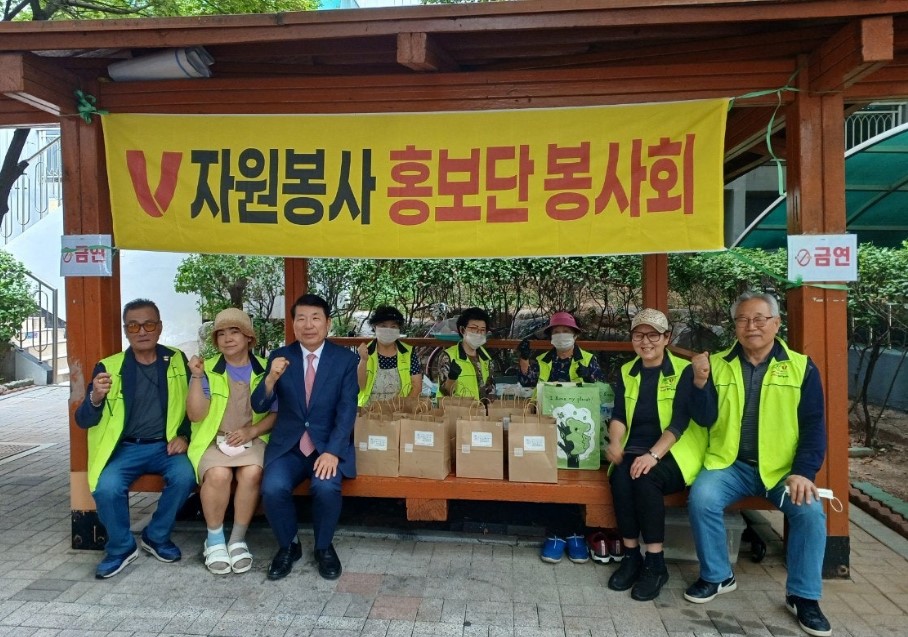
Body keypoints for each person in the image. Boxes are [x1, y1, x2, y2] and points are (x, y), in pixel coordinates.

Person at [684, 292, 831, 637]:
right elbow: (704, 419)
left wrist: (803, 472)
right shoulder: (717, 364)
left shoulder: (800, 366)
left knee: (810, 512)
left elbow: (814, 426)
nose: (752, 326)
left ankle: (803, 596)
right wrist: (701, 382)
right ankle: (718, 575)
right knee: (702, 498)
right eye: (743, 320)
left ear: (776, 323)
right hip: (730, 464)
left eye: (760, 319)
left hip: (781, 469)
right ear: (734, 326)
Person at [75, 298, 196, 579]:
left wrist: (185, 436)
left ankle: (156, 536)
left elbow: (194, 405)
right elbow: (84, 420)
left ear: (160, 327)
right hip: (126, 448)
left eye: (148, 324)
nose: (142, 331)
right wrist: (95, 396)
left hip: (166, 447)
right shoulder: (109, 366)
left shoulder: (177, 359)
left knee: (185, 476)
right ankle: (120, 548)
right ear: (126, 330)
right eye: (133, 325)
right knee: (107, 487)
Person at [251, 293, 359, 581]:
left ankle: (323, 547)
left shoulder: (344, 360)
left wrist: (334, 451)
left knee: (325, 488)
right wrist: (271, 378)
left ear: (328, 323)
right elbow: (259, 406)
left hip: (326, 445)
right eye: (301, 318)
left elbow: (348, 410)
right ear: (293, 324)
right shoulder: (279, 357)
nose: (308, 325)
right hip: (289, 446)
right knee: (272, 489)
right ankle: (289, 546)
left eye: (315, 318)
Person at [604, 308, 709, 601]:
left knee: (644, 479)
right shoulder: (628, 371)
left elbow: (679, 422)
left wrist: (653, 455)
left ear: (667, 337)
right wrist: (615, 442)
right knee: (620, 479)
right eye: (638, 335)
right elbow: (619, 415)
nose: (645, 342)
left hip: (674, 451)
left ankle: (655, 563)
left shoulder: (684, 370)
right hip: (635, 447)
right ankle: (630, 556)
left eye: (653, 335)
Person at [186, 308, 276, 575]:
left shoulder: (266, 368)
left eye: (234, 331)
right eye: (221, 334)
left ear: (249, 336)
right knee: (218, 475)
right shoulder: (207, 369)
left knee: (251, 473)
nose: (227, 339)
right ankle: (214, 539)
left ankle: (237, 539)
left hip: (255, 438)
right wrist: (197, 377)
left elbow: (276, 414)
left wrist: (252, 431)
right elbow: (195, 414)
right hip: (214, 440)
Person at [516, 311, 605, 389]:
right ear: (551, 337)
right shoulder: (541, 360)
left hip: (579, 407)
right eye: (556, 332)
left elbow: (602, 389)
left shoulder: (588, 360)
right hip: (547, 406)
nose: (561, 335)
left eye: (566, 331)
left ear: (575, 335)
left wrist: (589, 377)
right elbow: (526, 383)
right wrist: (524, 359)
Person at [357, 305, 423, 406]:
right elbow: (360, 386)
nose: (388, 330)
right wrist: (363, 360)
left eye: (393, 326)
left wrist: (403, 408)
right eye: (383, 326)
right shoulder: (365, 352)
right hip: (369, 410)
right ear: (375, 327)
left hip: (400, 410)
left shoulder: (408, 352)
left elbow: (417, 386)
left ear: (399, 329)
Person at [437, 307, 496, 401]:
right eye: (474, 328)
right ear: (462, 330)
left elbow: (490, 390)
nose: (478, 333)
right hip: (458, 412)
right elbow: (446, 393)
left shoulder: (486, 358)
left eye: (482, 330)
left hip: (480, 412)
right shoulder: (448, 356)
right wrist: (452, 377)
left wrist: (487, 411)